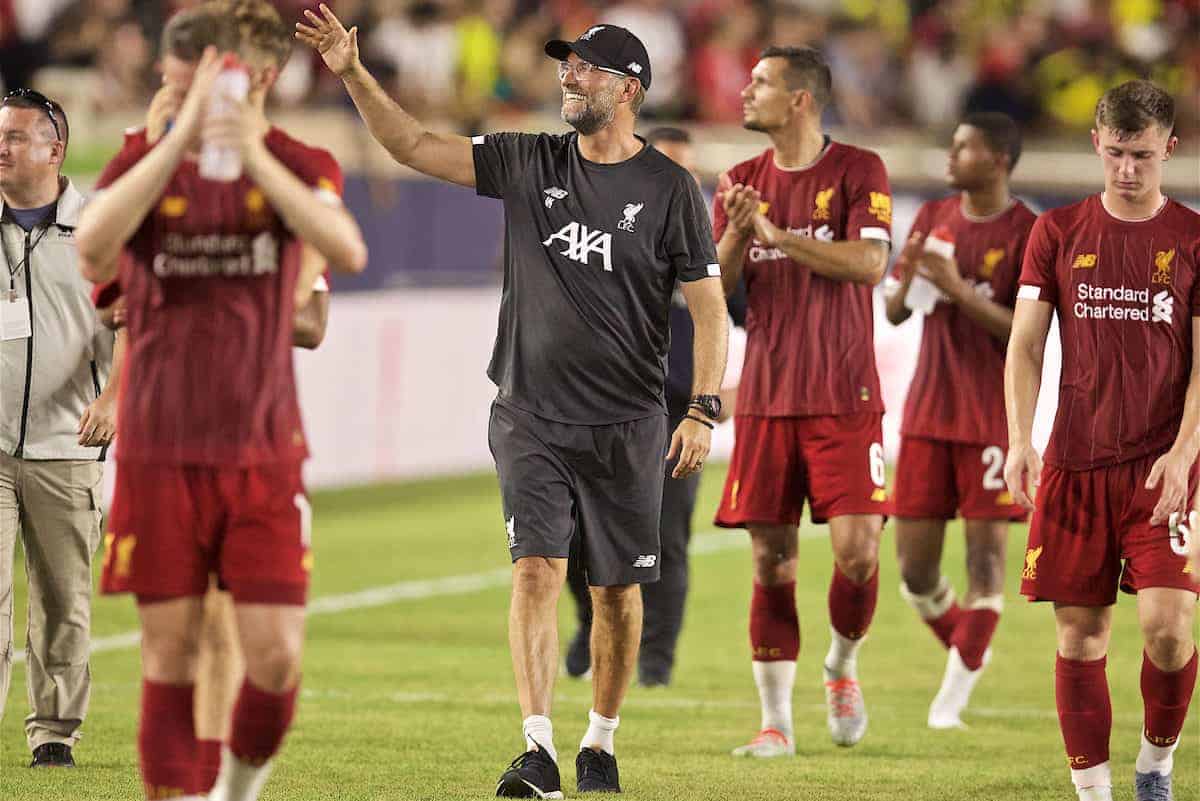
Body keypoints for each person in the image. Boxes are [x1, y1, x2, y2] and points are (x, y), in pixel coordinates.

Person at [298, 9, 728, 797]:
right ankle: (538, 748)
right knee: (534, 568)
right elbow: (412, 146)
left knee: (616, 593)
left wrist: (702, 408)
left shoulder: (671, 190)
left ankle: (600, 738)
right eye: (568, 65)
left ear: (629, 89)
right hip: (529, 413)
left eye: (589, 69)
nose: (569, 75)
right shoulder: (529, 160)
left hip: (630, 422)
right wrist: (353, 73)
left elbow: (708, 310)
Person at [76, 12, 367, 801]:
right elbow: (92, 253)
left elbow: (345, 252)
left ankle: (233, 792)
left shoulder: (299, 163)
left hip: (263, 448)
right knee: (168, 654)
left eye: (197, 78)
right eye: (176, 80)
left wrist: (253, 156)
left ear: (254, 78)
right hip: (158, 451)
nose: (180, 92)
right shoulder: (146, 158)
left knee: (275, 659)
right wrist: (170, 142)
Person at [1003, 80, 1198, 801]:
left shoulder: (1192, 238)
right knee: (1080, 638)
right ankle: (1096, 795)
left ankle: (1155, 762)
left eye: (1141, 155)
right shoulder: (1055, 233)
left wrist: (1184, 451)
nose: (1126, 169)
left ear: (1169, 150)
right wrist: (1021, 437)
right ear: (1095, 144)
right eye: (1115, 152)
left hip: (1163, 469)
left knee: (1168, 631)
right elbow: (1025, 344)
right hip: (1075, 461)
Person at [712, 45, 893, 756]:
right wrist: (733, 230)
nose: (745, 89)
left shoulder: (857, 170)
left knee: (856, 551)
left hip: (845, 395)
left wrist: (778, 235)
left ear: (800, 100)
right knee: (770, 561)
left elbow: (871, 262)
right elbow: (715, 290)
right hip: (766, 396)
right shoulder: (740, 180)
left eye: (759, 82)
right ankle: (775, 724)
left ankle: (842, 667)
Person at [563, 126, 744, 689]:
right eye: (669, 165)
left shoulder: (708, 239)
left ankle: (657, 661)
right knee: (569, 531)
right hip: (599, 399)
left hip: (674, 412)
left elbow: (743, 317)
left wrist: (719, 394)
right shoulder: (604, 228)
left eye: (688, 169)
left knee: (664, 537)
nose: (678, 179)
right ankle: (590, 621)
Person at [883, 112, 1036, 729]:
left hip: (989, 417)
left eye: (964, 147)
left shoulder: (1030, 232)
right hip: (925, 411)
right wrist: (914, 277)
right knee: (915, 573)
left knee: (985, 566)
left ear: (998, 159)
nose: (951, 156)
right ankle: (969, 649)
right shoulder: (932, 217)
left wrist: (960, 288)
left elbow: (1028, 335)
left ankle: (950, 701)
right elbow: (894, 312)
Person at [0, 88, 119, 769]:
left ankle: (54, 731)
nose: (3, 146)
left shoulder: (99, 226)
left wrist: (119, 399)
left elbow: (134, 323)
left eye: (17, 136)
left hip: (67, 446)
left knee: (63, 602)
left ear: (56, 149)